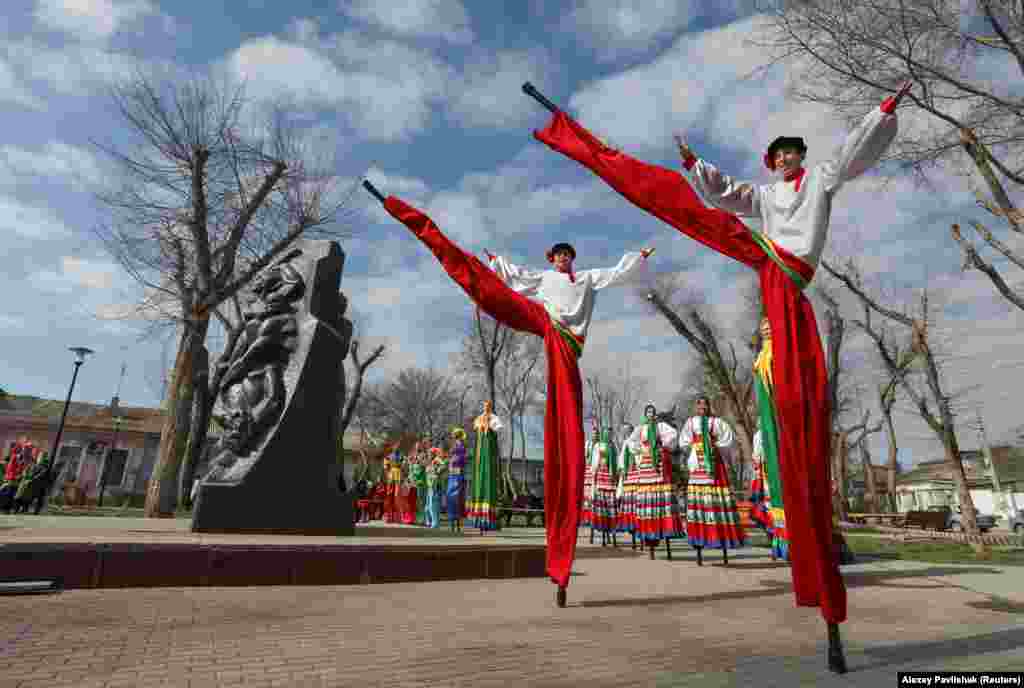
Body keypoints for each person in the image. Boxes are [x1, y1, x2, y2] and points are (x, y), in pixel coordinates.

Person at [530, 81, 911, 667]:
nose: (784, 160)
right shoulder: (761, 194)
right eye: (777, 154)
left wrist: (884, 110)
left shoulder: (820, 180)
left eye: (790, 153)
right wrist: (691, 165)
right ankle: (591, 150)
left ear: (800, 158)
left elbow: (855, 150)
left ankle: (821, 592)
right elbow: (723, 195)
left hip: (787, 274)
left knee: (796, 410)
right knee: (670, 197)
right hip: (742, 265)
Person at [366, 182, 654, 605]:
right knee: (487, 288)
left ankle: (561, 568)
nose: (563, 259)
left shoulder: (588, 279)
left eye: (567, 254)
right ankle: (439, 242)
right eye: (558, 255)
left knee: (566, 410)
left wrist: (636, 259)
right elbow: (517, 277)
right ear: (551, 259)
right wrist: (498, 263)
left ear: (573, 258)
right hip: (544, 323)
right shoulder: (544, 278)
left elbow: (615, 273)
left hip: (568, 344)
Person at [679, 396, 746, 565]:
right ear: (696, 407)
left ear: (709, 406)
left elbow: (728, 438)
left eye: (705, 404)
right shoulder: (691, 422)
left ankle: (720, 539)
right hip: (698, 464)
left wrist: (715, 445)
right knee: (699, 501)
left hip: (714, 464)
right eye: (699, 404)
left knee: (717, 501)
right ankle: (700, 540)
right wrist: (694, 448)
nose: (702, 407)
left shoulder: (716, 422)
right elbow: (684, 441)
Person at [619, 404, 684, 559]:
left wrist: (663, 446)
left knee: (661, 495)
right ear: (645, 414)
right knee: (647, 495)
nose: (650, 414)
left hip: (659, 462)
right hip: (646, 463)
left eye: (652, 412)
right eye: (648, 412)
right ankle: (650, 533)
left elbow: (673, 434)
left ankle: (664, 529)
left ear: (654, 414)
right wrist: (640, 450)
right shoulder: (641, 428)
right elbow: (631, 442)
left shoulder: (660, 426)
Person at [467, 401, 502, 532]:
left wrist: (489, 424)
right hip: (479, 454)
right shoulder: (479, 418)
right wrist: (482, 424)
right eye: (484, 406)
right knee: (479, 479)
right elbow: (476, 427)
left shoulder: (494, 418)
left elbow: (498, 428)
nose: (486, 408)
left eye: (488, 406)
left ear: (491, 407)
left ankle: (489, 519)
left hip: (488, 452)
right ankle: (477, 517)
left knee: (488, 480)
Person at [588, 428, 619, 545]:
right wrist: (593, 478)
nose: (609, 435)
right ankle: (603, 536)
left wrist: (615, 475)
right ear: (603, 434)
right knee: (602, 507)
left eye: (610, 433)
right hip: (601, 477)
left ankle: (613, 535)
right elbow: (594, 462)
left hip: (610, 479)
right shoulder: (599, 446)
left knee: (611, 508)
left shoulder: (613, 446)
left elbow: (615, 462)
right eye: (607, 433)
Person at [447, 428, 469, 533]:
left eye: (455, 435)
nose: (453, 436)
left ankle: (457, 524)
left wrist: (454, 458)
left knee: (457, 497)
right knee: (451, 497)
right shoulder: (455, 446)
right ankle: (453, 523)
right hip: (453, 474)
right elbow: (451, 457)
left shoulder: (461, 446)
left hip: (458, 474)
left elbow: (462, 459)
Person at [425, 447, 447, 529]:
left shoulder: (437, 460)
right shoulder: (431, 461)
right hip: (430, 485)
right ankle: (432, 522)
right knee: (429, 505)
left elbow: (443, 465)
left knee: (433, 505)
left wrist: (436, 471)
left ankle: (435, 523)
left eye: (430, 453)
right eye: (429, 453)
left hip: (435, 485)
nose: (429, 455)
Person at [411, 439, 429, 526]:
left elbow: (426, 465)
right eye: (416, 446)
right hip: (413, 482)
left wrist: (420, 462)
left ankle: (423, 519)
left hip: (421, 481)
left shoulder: (423, 455)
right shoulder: (413, 456)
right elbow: (410, 468)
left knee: (422, 501)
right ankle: (415, 518)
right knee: (415, 501)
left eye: (419, 446)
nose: (417, 447)